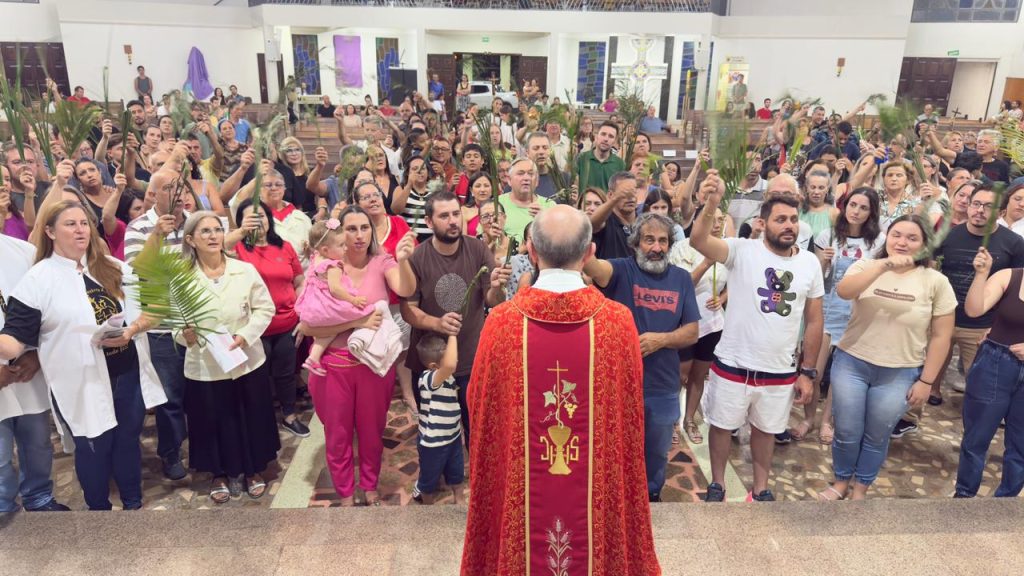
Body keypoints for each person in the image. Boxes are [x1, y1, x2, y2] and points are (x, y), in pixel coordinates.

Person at [461, 205, 659, 575]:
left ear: (531, 251)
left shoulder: (502, 324)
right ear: (589, 253)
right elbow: (629, 414)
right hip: (595, 496)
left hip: (523, 501)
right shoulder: (618, 323)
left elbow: (479, 405)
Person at [0, 200, 166, 510]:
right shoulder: (38, 279)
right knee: (93, 446)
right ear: (49, 231)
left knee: (127, 441)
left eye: (84, 223)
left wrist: (132, 330)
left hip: (126, 373)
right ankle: (99, 516)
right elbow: (13, 343)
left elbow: (156, 306)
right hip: (80, 380)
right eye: (70, 224)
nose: (81, 230)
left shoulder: (111, 267)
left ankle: (133, 506)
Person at [690, 171, 824, 502]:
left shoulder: (809, 263)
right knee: (722, 425)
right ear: (763, 223)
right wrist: (711, 203)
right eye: (780, 219)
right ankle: (718, 483)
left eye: (793, 219)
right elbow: (698, 241)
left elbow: (814, 320)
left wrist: (807, 371)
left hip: (778, 369)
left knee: (766, 431)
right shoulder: (741, 250)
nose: (789, 225)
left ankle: (761, 487)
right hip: (734, 362)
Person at [818, 215, 955, 501]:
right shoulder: (866, 266)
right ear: (886, 237)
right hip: (852, 361)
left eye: (912, 238)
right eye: (897, 235)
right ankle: (841, 481)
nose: (903, 242)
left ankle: (860, 488)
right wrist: (883, 264)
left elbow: (942, 336)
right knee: (846, 428)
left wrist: (927, 381)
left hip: (900, 371)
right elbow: (844, 291)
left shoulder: (936, 281)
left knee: (877, 434)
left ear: (924, 244)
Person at [300, 206, 416, 506]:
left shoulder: (381, 261)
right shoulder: (324, 265)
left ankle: (369, 483)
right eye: (351, 228)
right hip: (332, 366)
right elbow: (308, 324)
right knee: (337, 435)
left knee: (372, 430)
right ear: (339, 233)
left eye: (365, 227)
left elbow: (405, 288)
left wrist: (403, 261)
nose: (359, 235)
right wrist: (356, 322)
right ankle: (345, 492)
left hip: (373, 365)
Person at [584, 213, 700, 501]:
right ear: (635, 243)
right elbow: (590, 266)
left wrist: (663, 340)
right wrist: (584, 231)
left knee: (656, 452)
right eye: (649, 240)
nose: (656, 247)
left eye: (663, 241)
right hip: (618, 384)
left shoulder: (682, 279)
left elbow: (692, 332)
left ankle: (650, 498)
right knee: (613, 449)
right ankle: (612, 501)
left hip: (662, 386)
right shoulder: (621, 270)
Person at [176, 211, 279, 503]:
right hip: (206, 363)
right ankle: (219, 473)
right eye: (204, 232)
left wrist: (245, 334)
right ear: (190, 240)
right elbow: (173, 324)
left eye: (216, 230)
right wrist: (185, 336)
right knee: (213, 418)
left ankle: (253, 469)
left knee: (249, 413)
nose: (212, 236)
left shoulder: (243, 270)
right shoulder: (181, 278)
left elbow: (265, 308)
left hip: (244, 356)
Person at [402, 191, 508, 449]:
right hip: (431, 362)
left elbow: (494, 301)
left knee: (476, 427)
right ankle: (435, 477)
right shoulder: (417, 258)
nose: (452, 221)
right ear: (429, 222)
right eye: (444, 215)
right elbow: (408, 310)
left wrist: (495, 287)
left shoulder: (478, 248)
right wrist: (435, 323)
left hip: (471, 356)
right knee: (433, 433)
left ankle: (477, 481)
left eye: (455, 214)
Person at [913, 184, 1024, 418]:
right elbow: (929, 267)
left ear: (1001, 212)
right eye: (976, 203)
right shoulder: (949, 234)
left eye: (988, 206)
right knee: (922, 375)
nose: (980, 210)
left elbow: (1015, 289)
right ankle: (910, 417)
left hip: (982, 326)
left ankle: (973, 432)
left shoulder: (1014, 243)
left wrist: (997, 328)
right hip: (943, 318)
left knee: (978, 388)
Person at [123, 169, 191, 480]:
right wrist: (158, 236)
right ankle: (171, 452)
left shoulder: (193, 221)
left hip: (195, 322)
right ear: (154, 194)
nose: (176, 192)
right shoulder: (139, 227)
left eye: (179, 186)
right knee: (171, 397)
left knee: (198, 392)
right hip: (162, 326)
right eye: (168, 187)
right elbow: (138, 270)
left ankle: (202, 449)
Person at [800, 187, 882, 444]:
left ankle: (827, 421)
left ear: (872, 213)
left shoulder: (878, 241)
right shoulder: (828, 235)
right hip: (827, 308)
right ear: (845, 206)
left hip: (856, 314)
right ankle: (807, 418)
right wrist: (823, 260)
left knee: (840, 374)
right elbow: (816, 276)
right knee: (813, 368)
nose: (856, 211)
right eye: (853, 205)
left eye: (863, 207)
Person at [0, 235, 69, 512]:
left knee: (38, 443)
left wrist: (38, 354)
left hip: (26, 365)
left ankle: (39, 497)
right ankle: (3, 504)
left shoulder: (25, 252)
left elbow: (53, 307)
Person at [233, 199, 310, 438]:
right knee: (258, 376)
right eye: (251, 217)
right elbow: (218, 249)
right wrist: (241, 232)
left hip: (287, 322)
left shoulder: (284, 246)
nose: (259, 221)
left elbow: (298, 281)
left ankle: (289, 415)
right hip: (254, 327)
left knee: (286, 373)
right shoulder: (238, 249)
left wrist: (302, 314)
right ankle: (262, 421)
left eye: (263, 216)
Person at [955, 247, 1024, 497]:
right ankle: (963, 498)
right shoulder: (1009, 276)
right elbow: (975, 310)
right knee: (976, 439)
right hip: (995, 364)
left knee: (1021, 447)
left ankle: (1004, 503)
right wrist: (981, 275)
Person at [669, 206, 730, 445]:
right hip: (684, 319)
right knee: (680, 374)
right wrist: (706, 263)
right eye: (710, 219)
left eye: (720, 220)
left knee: (699, 374)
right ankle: (673, 419)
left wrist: (723, 298)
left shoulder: (727, 249)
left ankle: (690, 419)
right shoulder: (682, 248)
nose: (716, 224)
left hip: (712, 322)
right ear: (697, 221)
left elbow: (735, 281)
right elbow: (682, 285)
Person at [294, 217, 376, 376]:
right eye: (341, 245)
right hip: (326, 306)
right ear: (325, 249)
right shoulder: (333, 265)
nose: (345, 248)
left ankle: (313, 357)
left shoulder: (316, 257)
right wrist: (353, 300)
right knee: (366, 311)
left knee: (327, 332)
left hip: (312, 305)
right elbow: (335, 289)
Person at [411, 333, 464, 504]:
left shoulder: (445, 376)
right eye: (449, 358)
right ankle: (427, 502)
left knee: (456, 471)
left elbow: (448, 366)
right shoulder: (428, 379)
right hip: (433, 443)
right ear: (434, 366)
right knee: (429, 476)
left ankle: (459, 498)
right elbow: (449, 365)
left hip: (453, 436)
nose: (454, 362)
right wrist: (452, 335)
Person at [498, 158, 555, 242]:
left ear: (537, 181)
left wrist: (544, 221)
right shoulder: (496, 204)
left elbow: (557, 240)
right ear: (509, 180)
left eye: (531, 174)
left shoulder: (549, 205)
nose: (526, 178)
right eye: (520, 174)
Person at [590, 171, 638, 259]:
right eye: (625, 193)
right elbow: (592, 224)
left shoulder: (643, 222)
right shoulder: (605, 220)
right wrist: (615, 199)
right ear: (610, 195)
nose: (630, 197)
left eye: (633, 192)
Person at [577, 121, 626, 192]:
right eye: (603, 134)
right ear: (596, 136)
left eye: (611, 136)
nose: (606, 139)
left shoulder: (620, 164)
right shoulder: (581, 158)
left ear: (615, 141)